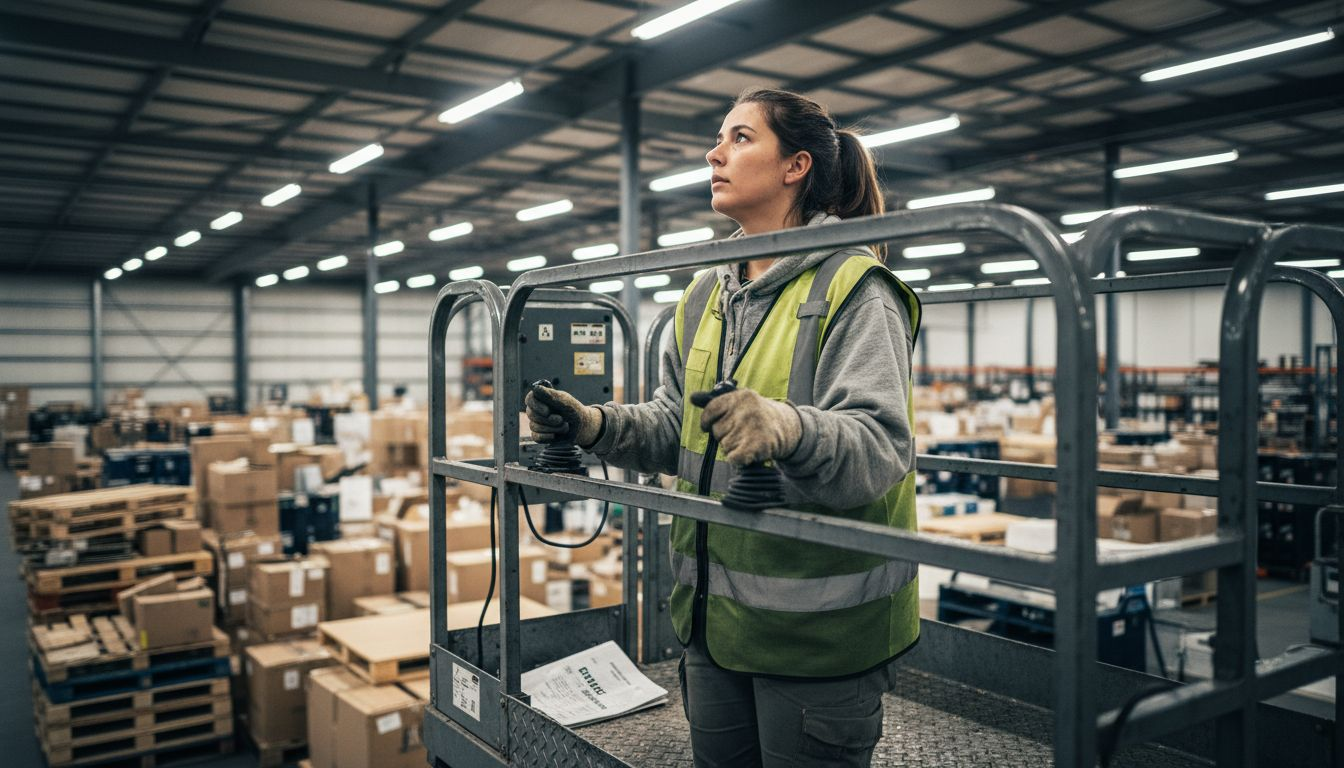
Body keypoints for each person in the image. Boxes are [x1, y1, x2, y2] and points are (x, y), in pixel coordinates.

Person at [526, 88, 920, 768]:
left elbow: (882, 449)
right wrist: (592, 424)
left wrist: (788, 429)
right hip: (713, 623)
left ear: (796, 166)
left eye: (739, 138)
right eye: (720, 138)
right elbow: (674, 427)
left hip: (816, 641)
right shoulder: (707, 292)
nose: (714, 154)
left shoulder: (856, 288)